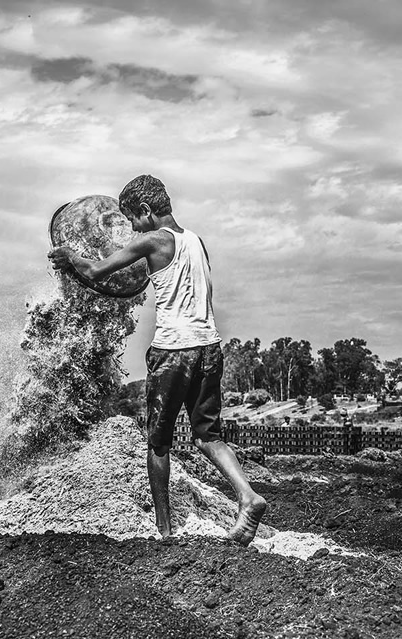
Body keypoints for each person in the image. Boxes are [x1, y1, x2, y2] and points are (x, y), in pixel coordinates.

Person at [48, 175, 267, 546]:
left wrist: (68, 257)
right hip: (209, 348)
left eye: (132, 219)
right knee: (208, 436)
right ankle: (248, 495)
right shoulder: (196, 241)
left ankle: (164, 531)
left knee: (158, 444)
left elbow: (95, 271)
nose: (131, 228)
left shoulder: (152, 240)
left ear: (147, 213)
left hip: (173, 352)